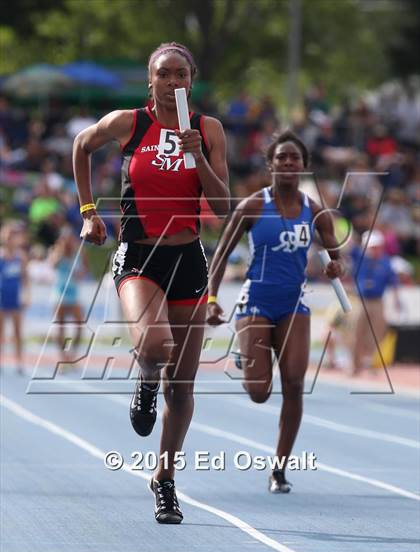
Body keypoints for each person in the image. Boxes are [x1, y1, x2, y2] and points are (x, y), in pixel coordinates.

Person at [72, 42, 229, 523]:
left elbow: (222, 210)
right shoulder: (130, 123)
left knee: (182, 389)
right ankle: (144, 382)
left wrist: (197, 156)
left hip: (188, 257)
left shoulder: (208, 129)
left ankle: (164, 481)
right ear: (151, 81)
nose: (173, 81)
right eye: (164, 73)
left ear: (191, 79)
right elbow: (82, 145)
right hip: (139, 256)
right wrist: (87, 213)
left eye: (181, 73)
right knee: (156, 347)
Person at [207, 130, 344, 493]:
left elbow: (335, 256)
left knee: (296, 384)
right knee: (259, 392)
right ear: (270, 164)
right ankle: (248, 350)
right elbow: (220, 255)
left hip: (293, 302)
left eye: (294, 158)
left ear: (303, 165)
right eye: (281, 157)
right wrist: (211, 298)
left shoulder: (315, 212)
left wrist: (335, 266)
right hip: (256, 300)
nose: (287, 162)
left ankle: (279, 469)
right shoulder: (252, 206)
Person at [350, 230, 401, 376]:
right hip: (361, 301)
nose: (376, 249)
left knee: (377, 334)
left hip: (378, 302)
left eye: (378, 246)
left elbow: (393, 281)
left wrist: (397, 300)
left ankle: (371, 364)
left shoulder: (386, 261)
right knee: (357, 333)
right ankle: (355, 365)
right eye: (373, 246)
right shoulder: (359, 257)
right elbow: (348, 245)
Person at [48, 226, 88, 364]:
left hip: (74, 293)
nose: (69, 241)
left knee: (80, 325)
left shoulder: (79, 252)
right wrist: (60, 249)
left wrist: (81, 274)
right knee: (60, 325)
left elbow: (85, 269)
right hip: (60, 293)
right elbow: (52, 264)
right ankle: (62, 355)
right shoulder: (56, 251)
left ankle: (73, 354)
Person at [0, 221, 29, 374]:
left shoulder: (21, 257)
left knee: (17, 331)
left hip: (15, 296)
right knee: (1, 331)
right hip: (2, 296)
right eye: (9, 235)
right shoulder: (1, 256)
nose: (11, 238)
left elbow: (25, 278)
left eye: (14, 235)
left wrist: (26, 295)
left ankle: (19, 361)